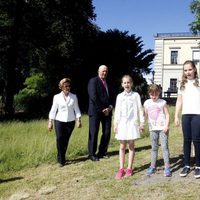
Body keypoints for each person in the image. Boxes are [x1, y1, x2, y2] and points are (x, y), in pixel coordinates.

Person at [113, 75, 144, 179]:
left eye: (128, 82)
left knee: (131, 145)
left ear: (132, 84)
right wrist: (115, 124)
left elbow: (140, 109)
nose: (127, 84)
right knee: (122, 146)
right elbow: (117, 111)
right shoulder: (119, 96)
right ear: (122, 84)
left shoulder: (136, 95)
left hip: (132, 123)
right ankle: (121, 168)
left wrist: (142, 123)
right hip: (122, 123)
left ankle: (129, 168)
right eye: (124, 83)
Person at [175, 60, 200, 178]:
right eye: (185, 70)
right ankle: (186, 165)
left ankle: (198, 166)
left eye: (190, 69)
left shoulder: (199, 82)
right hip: (186, 115)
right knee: (186, 140)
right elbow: (179, 101)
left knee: (197, 139)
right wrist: (176, 115)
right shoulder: (182, 84)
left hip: (197, 115)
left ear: (194, 69)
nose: (188, 72)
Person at [48, 78, 82, 167]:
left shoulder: (73, 96)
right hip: (59, 121)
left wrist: (78, 120)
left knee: (65, 140)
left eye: (69, 86)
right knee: (59, 139)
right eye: (66, 86)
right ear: (62, 87)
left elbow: (77, 109)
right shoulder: (56, 97)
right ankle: (61, 160)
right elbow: (53, 110)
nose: (68, 87)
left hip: (70, 122)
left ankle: (61, 157)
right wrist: (50, 122)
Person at [144, 84, 171, 177]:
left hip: (163, 129)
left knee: (164, 147)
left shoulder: (162, 102)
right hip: (152, 129)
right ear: (149, 94)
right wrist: (142, 124)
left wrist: (166, 126)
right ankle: (152, 166)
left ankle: (167, 167)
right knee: (154, 148)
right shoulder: (147, 103)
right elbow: (145, 115)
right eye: (152, 94)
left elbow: (167, 114)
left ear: (159, 93)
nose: (154, 96)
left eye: (156, 94)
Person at [87, 65, 113, 161]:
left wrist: (110, 108)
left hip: (108, 112)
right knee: (94, 133)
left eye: (106, 71)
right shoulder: (93, 81)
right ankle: (91, 154)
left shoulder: (109, 82)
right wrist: (103, 109)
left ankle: (102, 152)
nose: (104, 73)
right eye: (103, 71)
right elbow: (93, 97)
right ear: (98, 71)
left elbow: (112, 97)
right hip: (95, 112)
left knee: (107, 132)